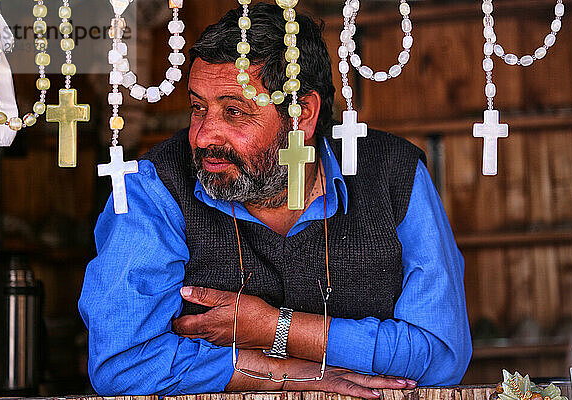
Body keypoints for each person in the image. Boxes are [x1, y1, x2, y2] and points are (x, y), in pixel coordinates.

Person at [78, 2, 472, 397]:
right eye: (198, 108)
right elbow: (123, 362)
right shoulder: (153, 187)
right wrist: (298, 373)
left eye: (234, 112)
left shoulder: (393, 174)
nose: (203, 136)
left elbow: (441, 356)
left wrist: (273, 328)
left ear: (303, 114)